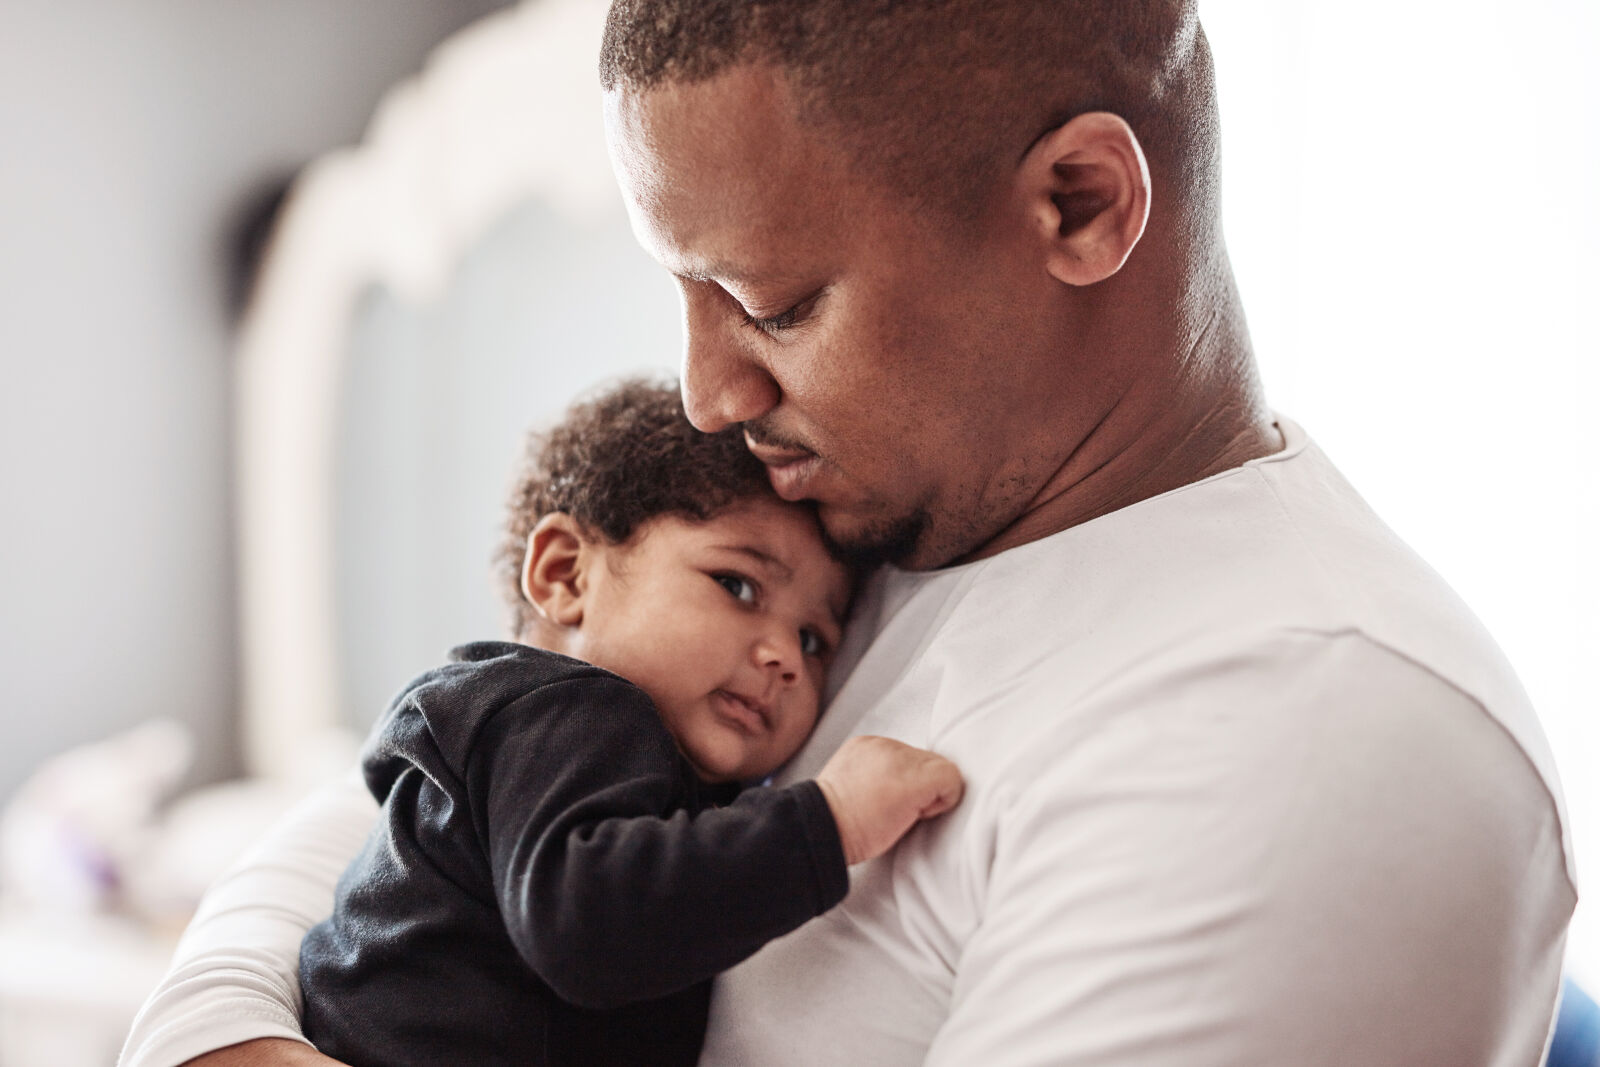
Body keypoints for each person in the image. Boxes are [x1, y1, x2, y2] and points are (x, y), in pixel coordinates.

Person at [121, 2, 1577, 1065]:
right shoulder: (853, 523)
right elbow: (405, 810)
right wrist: (211, 1024)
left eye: (772, 303)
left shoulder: (1321, 733)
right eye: (682, 290)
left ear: (1081, 203)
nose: (708, 391)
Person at [294, 380, 962, 1066]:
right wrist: (830, 821)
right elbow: (588, 924)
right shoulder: (570, 710)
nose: (784, 656)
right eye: (737, 585)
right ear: (567, 575)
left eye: (815, 639)